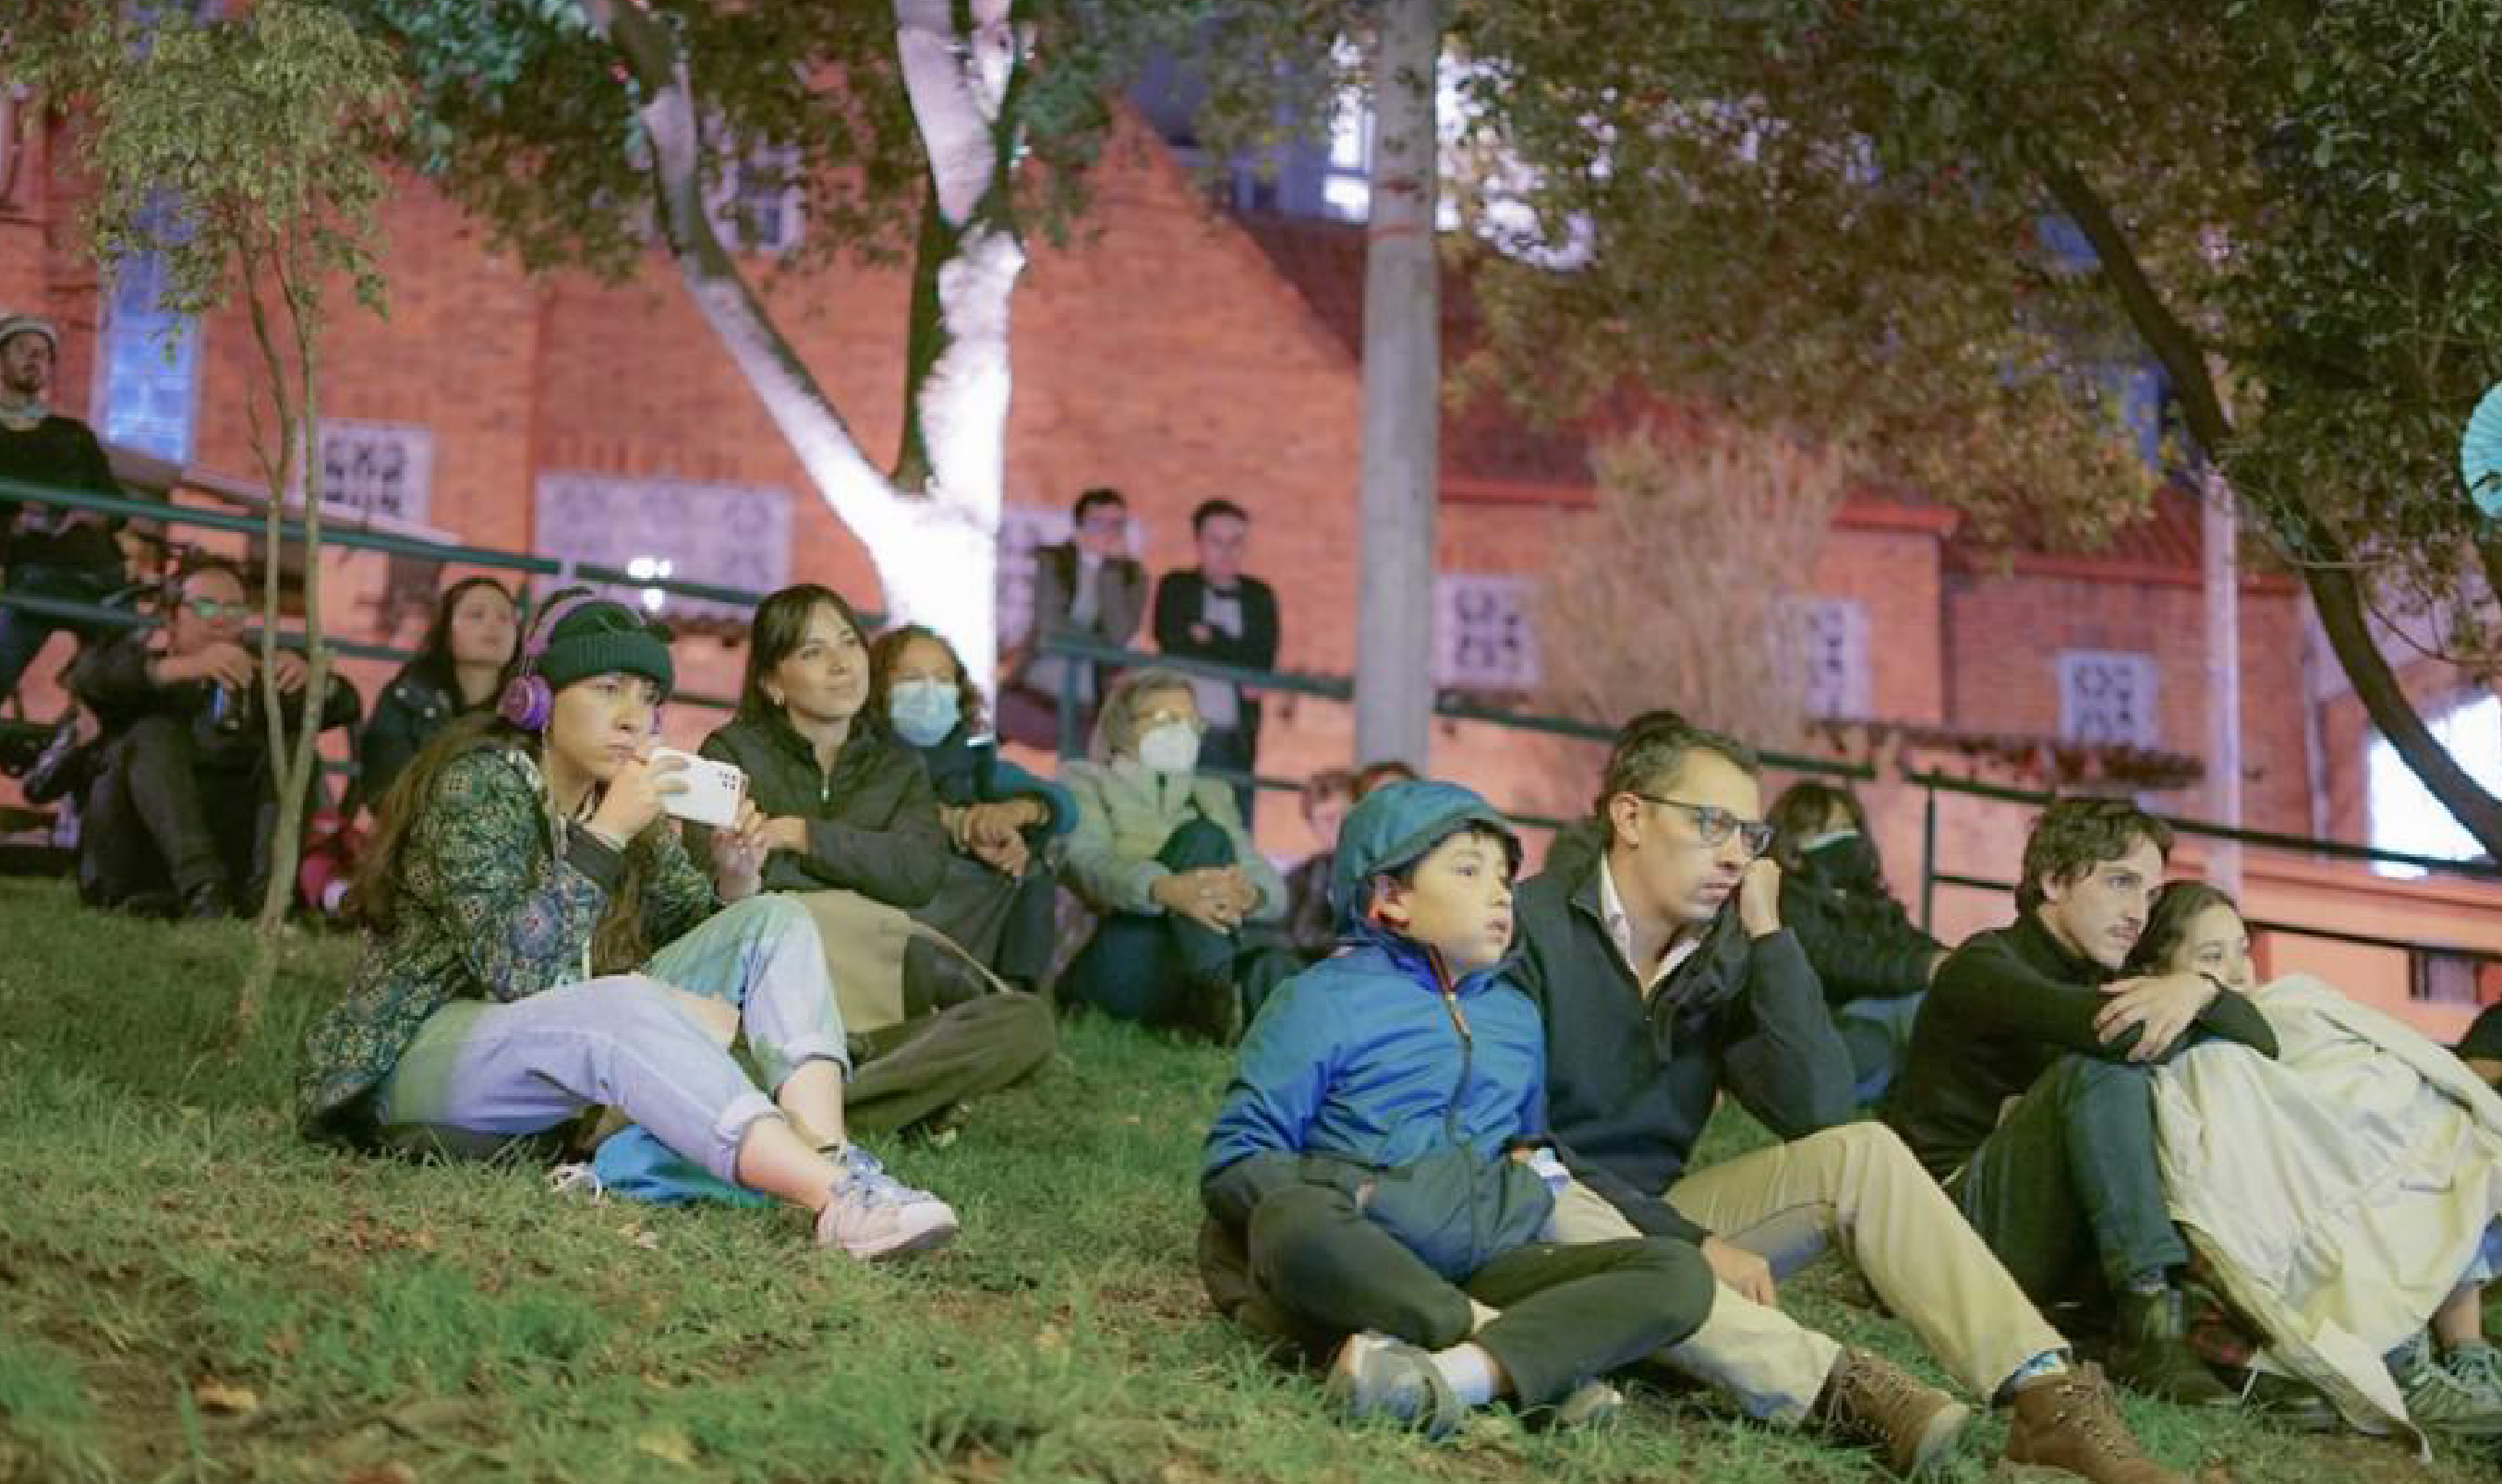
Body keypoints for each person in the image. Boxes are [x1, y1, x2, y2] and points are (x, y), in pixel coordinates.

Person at [1518, 718, 2184, 1483]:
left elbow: (1823, 1109)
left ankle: (2045, 1397)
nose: (1736, 853)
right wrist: (1688, 1240)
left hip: (1659, 1212)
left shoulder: (1721, 950)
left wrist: (1768, 934)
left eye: (1749, 832)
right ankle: (1824, 1379)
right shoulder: (1532, 925)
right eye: (1710, 824)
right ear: (1629, 816)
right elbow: (1517, 1148)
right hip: (1545, 1218)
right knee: (1554, 1196)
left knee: (1861, 1150)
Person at [294, 589, 958, 1261]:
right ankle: (833, 1197)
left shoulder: (617, 795)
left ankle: (830, 1157)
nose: (631, 717)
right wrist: (607, 834)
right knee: (619, 1000)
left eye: (646, 698)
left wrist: (735, 879)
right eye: (607, 688)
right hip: (424, 1055)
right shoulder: (479, 785)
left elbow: (702, 942)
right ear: (539, 699)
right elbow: (514, 970)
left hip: (554, 1048)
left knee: (774, 918)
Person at [1200, 779, 1715, 1436]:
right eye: (1468, 870)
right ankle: (1508, 1349)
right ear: (1390, 897)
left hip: (1485, 1256)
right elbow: (1235, 1159)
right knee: (1290, 1216)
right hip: (1363, 1248)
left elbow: (1523, 1143)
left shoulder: (1516, 1017)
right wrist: (1362, 1196)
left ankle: (1454, 1374)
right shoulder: (1320, 999)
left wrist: (1526, 1185)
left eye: (1504, 874)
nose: (1500, 892)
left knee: (1677, 1272)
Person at [1884, 799, 2279, 1406]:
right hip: (1943, 1228)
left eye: (2148, 895)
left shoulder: (2099, 981)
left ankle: (2211, 1330)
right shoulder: (1982, 964)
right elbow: (2112, 1033)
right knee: (2102, 1064)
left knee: (2188, 1086)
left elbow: (2261, 1043)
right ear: (2052, 879)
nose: (2136, 913)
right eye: (2119, 882)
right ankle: (2149, 1325)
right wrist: (2193, 992)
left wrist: (2198, 987)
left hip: (2035, 1245)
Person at [2125, 881, 2502, 1436]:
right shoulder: (2194, 1059)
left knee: (2443, 1130)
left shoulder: (2288, 1002)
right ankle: (2412, 1362)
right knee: (2334, 1155)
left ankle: (2466, 1350)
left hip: (2366, 1131)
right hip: (2315, 1162)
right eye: (2210, 958)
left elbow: (2358, 1054)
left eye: (2240, 951)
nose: (2234, 972)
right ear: (2163, 971)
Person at [699, 585, 1054, 1134]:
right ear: (772, 682)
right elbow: (718, 874)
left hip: (880, 993)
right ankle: (883, 1100)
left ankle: (817, 1108)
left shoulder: (897, 766)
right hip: (774, 995)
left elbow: (916, 873)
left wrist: (803, 836)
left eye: (849, 642)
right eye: (812, 652)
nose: (842, 665)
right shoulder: (729, 755)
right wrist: (864, 864)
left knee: (1026, 1023)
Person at [67, 557, 360, 918]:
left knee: (292, 741)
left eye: (234, 608)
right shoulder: (143, 666)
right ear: (171, 617)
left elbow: (348, 705)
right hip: (137, 860)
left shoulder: (257, 670)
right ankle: (203, 890)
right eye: (205, 607)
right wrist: (182, 668)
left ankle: (266, 894)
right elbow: (90, 678)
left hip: (229, 851)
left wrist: (314, 680)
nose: (221, 619)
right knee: (151, 733)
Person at [1057, 666, 1289, 1042]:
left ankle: (1218, 1003)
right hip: (1115, 959)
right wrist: (1166, 889)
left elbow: (1270, 884)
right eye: (1165, 719)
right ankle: (1218, 993)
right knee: (1201, 838)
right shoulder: (1084, 781)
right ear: (1122, 726)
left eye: (1189, 720)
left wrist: (1249, 895)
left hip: (1178, 974)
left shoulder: (1212, 794)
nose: (1180, 731)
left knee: (1275, 965)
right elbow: (1086, 864)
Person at [867, 621, 1073, 992]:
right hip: (896, 901)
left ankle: (1014, 993)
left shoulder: (977, 761)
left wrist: (1016, 814)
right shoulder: (861, 754)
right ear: (878, 689)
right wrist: (965, 825)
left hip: (967, 903)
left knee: (1036, 859)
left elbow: (1065, 806)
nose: (929, 691)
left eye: (943, 679)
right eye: (912, 677)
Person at [1764, 780, 1944, 1103]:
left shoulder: (1862, 895)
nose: (1843, 840)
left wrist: (1950, 960)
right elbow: (1832, 960)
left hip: (1872, 1011)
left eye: (1847, 827)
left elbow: (1906, 940)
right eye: (1823, 830)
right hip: (1830, 1020)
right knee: (1915, 1009)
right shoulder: (1789, 898)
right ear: (1791, 842)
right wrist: (1922, 968)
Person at [0, 312, 133, 704]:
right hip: (37, 573)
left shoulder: (74, 435)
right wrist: (17, 524)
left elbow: (118, 506)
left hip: (100, 574)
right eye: (23, 349)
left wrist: (95, 514)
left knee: (126, 668)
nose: (34, 359)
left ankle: (87, 740)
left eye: (43, 354)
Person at [1152, 499, 1278, 821]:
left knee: (1232, 822)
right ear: (1198, 543)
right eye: (1216, 542)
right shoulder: (1176, 587)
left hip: (1233, 735)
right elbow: (1171, 639)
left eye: (1236, 543)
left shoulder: (1259, 597)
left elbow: (1262, 657)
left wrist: (1211, 637)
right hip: (1177, 727)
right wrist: (1235, 652)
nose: (1227, 552)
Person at [357, 576, 520, 806]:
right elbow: (384, 792)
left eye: (505, 618)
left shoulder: (532, 709)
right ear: (446, 629)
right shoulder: (407, 697)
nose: (493, 625)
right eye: (476, 615)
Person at [1010, 486, 1145, 738]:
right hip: (1044, 670)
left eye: (1116, 525)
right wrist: (1099, 646)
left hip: (1095, 684)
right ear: (1078, 527)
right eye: (1097, 523)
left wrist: (1111, 572)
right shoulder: (1053, 561)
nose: (1107, 533)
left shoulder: (1132, 576)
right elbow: (1050, 624)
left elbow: (1120, 636)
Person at [1278, 767, 1355, 963]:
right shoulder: (1300, 878)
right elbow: (1298, 936)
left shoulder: (1384, 870)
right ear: (1312, 824)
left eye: (1343, 815)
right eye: (1325, 819)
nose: (1336, 826)